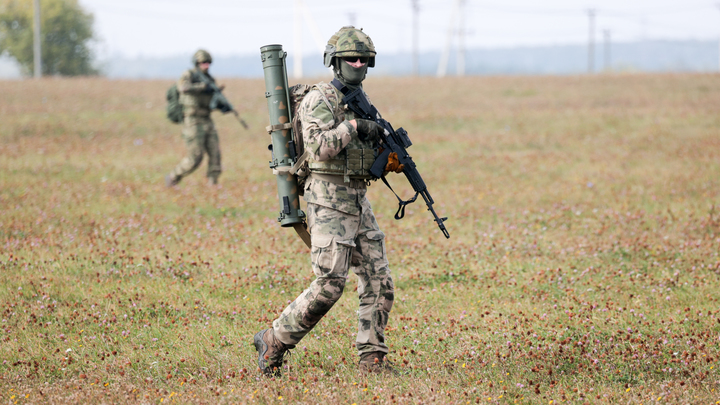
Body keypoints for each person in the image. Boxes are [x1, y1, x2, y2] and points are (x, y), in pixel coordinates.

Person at [253, 26, 403, 376]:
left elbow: (362, 146)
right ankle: (273, 340)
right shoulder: (320, 99)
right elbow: (320, 146)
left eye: (364, 57)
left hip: (356, 196)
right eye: (351, 56)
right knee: (330, 283)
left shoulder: (359, 99)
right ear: (335, 61)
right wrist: (355, 128)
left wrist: (385, 154)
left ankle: (372, 359)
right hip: (328, 198)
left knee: (379, 279)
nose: (358, 61)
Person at [165, 49, 223, 187]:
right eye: (203, 62)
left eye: (208, 63)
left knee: (215, 154)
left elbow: (212, 100)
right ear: (197, 63)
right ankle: (173, 177)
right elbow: (183, 88)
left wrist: (220, 103)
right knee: (195, 157)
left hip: (207, 119)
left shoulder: (210, 79)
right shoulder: (189, 75)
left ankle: (213, 184)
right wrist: (202, 87)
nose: (206, 65)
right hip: (192, 120)